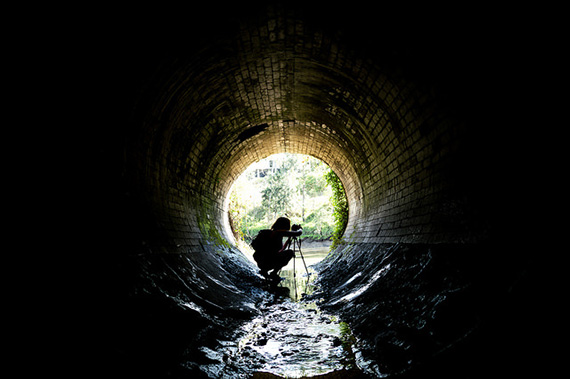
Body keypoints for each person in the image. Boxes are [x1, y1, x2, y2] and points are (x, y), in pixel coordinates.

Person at [253, 217, 302, 282]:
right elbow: (298, 233)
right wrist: (300, 229)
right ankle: (274, 273)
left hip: (261, 262)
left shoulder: (271, 233)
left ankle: (264, 271)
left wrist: (289, 238)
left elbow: (281, 250)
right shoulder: (279, 233)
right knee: (290, 253)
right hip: (269, 262)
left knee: (278, 254)